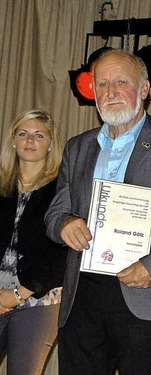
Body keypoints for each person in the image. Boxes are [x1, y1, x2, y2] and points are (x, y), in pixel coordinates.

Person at [45, 49, 151, 374]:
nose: (111, 92)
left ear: (144, 89)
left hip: (143, 289)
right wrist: (64, 223)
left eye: (121, 82)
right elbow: (54, 214)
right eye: (102, 84)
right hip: (82, 294)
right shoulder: (78, 146)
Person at [0, 109, 66, 375]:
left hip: (38, 301)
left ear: (50, 144)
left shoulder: (64, 190)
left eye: (39, 135)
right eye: (23, 133)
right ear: (13, 140)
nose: (30, 140)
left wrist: (18, 294)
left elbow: (65, 252)